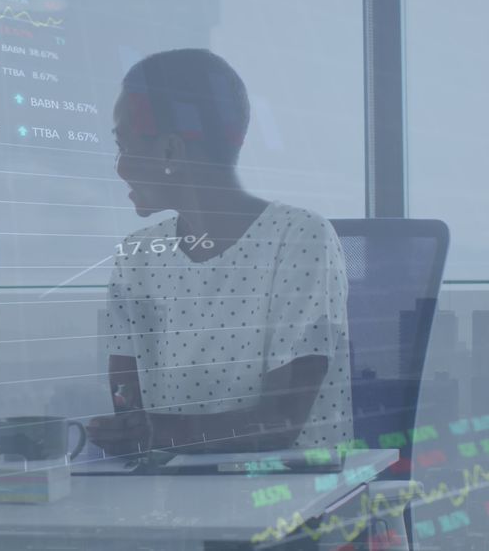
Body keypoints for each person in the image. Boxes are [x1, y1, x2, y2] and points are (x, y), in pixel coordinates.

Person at [88, 49, 353, 455]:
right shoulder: (137, 256)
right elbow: (129, 406)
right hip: (171, 503)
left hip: (287, 504)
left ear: (171, 151)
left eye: (124, 145)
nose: (120, 167)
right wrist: (128, 430)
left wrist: (154, 434)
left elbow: (280, 422)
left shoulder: (300, 238)